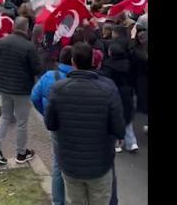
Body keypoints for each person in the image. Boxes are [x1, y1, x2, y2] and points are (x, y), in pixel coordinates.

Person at [45, 42, 125, 205]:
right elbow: (118, 127)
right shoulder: (108, 89)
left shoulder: (57, 89)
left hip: (70, 164)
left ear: (73, 62)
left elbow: (50, 124)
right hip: (100, 164)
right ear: (93, 61)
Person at [0, 17, 42, 165]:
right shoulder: (28, 46)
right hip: (22, 89)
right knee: (22, 122)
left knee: (5, 117)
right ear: (26, 28)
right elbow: (37, 69)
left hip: (4, 87)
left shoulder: (0, 43)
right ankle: (21, 153)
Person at [31, 45, 74, 205]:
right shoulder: (78, 78)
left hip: (56, 126)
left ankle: (58, 201)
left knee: (58, 164)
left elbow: (35, 97)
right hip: (76, 126)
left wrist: (46, 115)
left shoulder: (49, 76)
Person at [99, 42, 138, 153]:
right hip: (127, 92)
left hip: (114, 92)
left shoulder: (108, 65)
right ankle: (132, 143)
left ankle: (117, 143)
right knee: (127, 118)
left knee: (114, 117)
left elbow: (106, 79)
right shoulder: (128, 63)